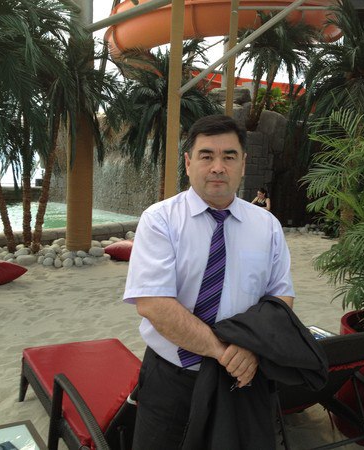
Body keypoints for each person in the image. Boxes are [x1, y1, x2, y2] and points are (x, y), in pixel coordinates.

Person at [123, 114, 295, 450]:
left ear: (243, 164)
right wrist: (223, 352)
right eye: (207, 156)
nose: (218, 167)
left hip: (245, 376)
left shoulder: (267, 226)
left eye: (229, 156)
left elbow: (281, 298)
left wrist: (251, 349)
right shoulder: (160, 220)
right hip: (173, 379)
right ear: (188, 163)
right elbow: (153, 304)